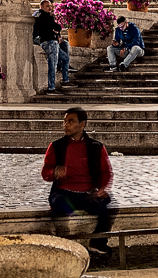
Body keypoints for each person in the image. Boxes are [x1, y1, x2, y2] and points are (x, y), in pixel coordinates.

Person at [42, 106, 115, 256]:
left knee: (105, 207)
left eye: (70, 122)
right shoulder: (56, 146)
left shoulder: (96, 147)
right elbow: (45, 173)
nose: (65, 125)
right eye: (64, 121)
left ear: (82, 125)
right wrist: (55, 173)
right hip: (64, 193)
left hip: (87, 194)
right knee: (57, 203)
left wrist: (102, 189)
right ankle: (63, 241)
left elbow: (106, 172)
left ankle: (98, 242)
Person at [32, 0, 69, 92]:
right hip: (49, 42)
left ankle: (65, 80)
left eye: (50, 6)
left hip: (50, 41)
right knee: (53, 64)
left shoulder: (41, 15)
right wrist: (54, 29)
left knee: (65, 58)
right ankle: (51, 87)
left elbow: (56, 28)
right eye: (47, 6)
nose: (50, 8)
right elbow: (57, 27)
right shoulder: (44, 16)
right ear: (42, 7)